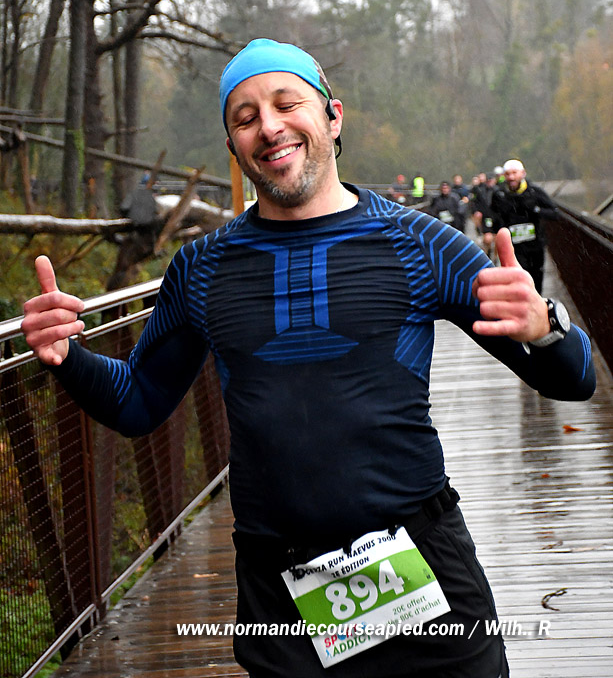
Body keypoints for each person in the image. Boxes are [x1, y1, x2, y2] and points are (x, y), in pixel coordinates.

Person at [21, 38, 595, 678]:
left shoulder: (420, 244)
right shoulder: (202, 268)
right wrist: (68, 357)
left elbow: (575, 381)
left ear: (333, 116)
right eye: (245, 117)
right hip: (282, 592)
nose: (269, 127)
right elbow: (138, 401)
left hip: (424, 572)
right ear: (234, 145)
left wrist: (547, 326)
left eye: (287, 103)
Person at [489, 158, 559, 294]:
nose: (511, 177)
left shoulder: (534, 192)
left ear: (523, 173)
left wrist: (536, 210)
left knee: (535, 280)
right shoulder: (499, 194)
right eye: (508, 174)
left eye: (514, 173)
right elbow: (493, 216)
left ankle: (537, 302)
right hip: (513, 247)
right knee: (517, 280)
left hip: (534, 246)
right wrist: (492, 231)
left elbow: (555, 213)